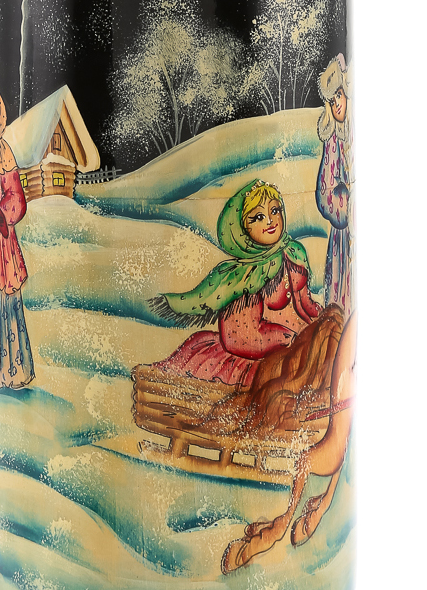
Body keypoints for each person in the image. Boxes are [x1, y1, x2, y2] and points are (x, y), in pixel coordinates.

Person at [150, 180, 320, 388]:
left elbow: (305, 303)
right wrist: (288, 340)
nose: (270, 221)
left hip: (298, 352)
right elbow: (240, 338)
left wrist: (319, 323)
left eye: (275, 211)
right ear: (240, 228)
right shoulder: (243, 278)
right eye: (259, 217)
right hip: (258, 359)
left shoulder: (293, 254)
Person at [0, 78, 34, 389]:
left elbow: (18, 198)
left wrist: (3, 213)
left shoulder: (4, 152)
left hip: (3, 242)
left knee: (7, 300)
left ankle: (12, 371)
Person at [315, 54, 353, 317]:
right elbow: (325, 192)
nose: (336, 104)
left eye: (338, 95)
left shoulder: (353, 129)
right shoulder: (333, 140)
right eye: (331, 99)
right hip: (344, 231)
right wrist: (347, 206)